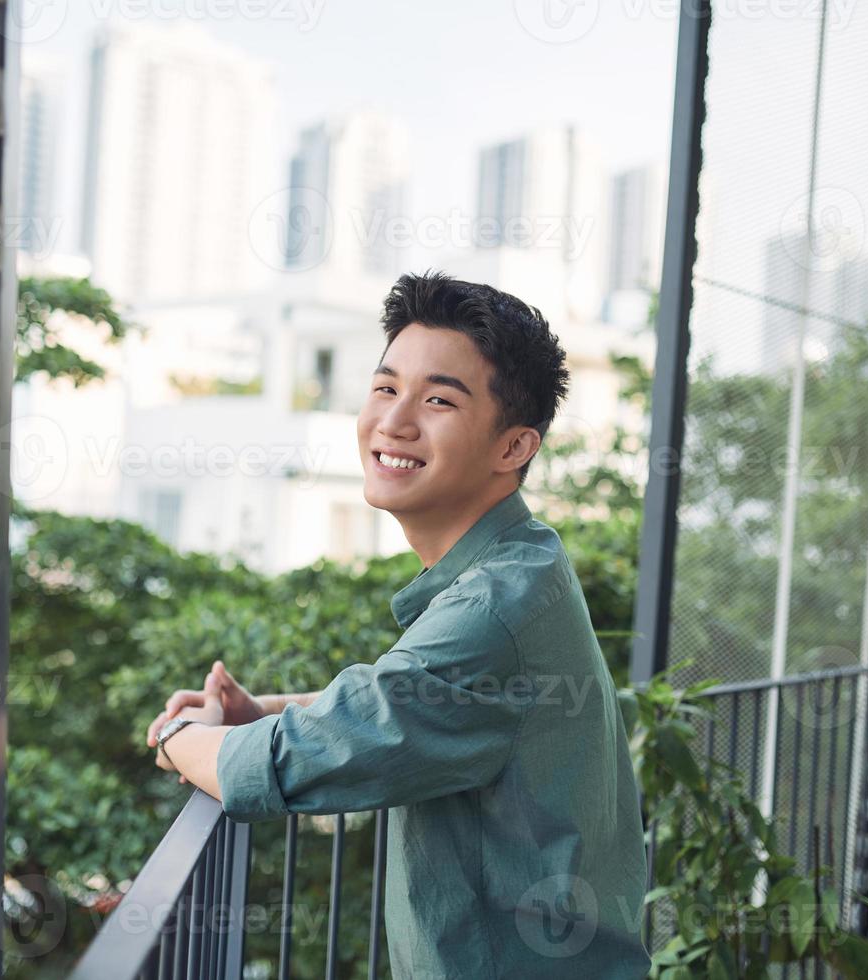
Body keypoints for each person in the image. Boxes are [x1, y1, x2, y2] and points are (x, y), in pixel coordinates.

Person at [145, 270, 650, 978]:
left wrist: (175, 738)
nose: (394, 420)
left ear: (514, 447)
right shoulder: (524, 561)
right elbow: (416, 700)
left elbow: (291, 763)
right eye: (386, 387)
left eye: (438, 399)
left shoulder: (490, 610)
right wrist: (261, 711)